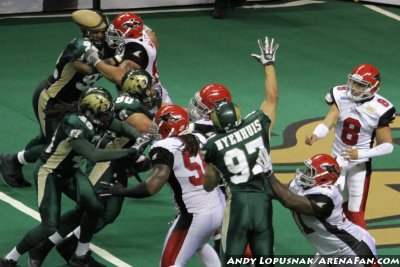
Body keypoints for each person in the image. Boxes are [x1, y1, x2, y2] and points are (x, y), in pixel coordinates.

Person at [0, 87, 151, 267]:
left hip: (71, 172)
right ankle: (10, 258)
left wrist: (139, 136)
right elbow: (93, 155)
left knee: (95, 207)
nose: (107, 117)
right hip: (50, 173)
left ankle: (80, 256)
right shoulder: (74, 123)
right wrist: (129, 151)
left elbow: (119, 125)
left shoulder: (94, 115)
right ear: (90, 112)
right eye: (103, 114)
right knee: (49, 225)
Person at [99, 105, 224, 267]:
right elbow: (180, 160)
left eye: (158, 124)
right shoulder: (200, 138)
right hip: (217, 207)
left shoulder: (164, 147)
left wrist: (120, 191)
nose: (155, 128)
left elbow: (151, 187)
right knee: (198, 244)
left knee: (170, 263)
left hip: (194, 216)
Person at [0, 9, 112, 187]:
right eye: (95, 32)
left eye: (102, 31)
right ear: (86, 32)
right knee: (55, 144)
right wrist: (117, 59)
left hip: (72, 101)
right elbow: (90, 69)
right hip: (51, 99)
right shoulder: (80, 45)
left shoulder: (105, 46)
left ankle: (17, 160)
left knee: (47, 138)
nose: (100, 35)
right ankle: (11, 160)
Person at [202, 36, 279, 266]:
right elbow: (272, 98)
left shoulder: (213, 144)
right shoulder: (257, 123)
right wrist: (268, 65)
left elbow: (208, 184)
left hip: (237, 204)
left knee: (231, 260)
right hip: (264, 201)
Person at [305, 64, 396, 229]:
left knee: (355, 211)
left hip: (358, 165)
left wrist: (360, 154)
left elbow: (388, 146)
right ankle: (333, 250)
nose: (354, 87)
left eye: (360, 84)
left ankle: (366, 253)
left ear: (373, 87)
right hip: (335, 162)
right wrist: (317, 134)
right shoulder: (340, 95)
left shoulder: (380, 108)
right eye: (353, 82)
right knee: (332, 207)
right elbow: (330, 119)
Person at [256, 150, 380, 267]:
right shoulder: (300, 185)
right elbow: (278, 192)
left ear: (323, 177)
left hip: (353, 250)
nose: (305, 173)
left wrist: (270, 175)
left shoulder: (328, 196)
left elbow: (289, 201)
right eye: (307, 169)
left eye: (311, 171)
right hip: (327, 252)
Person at [83, 12, 173, 104]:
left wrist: (96, 61)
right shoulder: (142, 34)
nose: (112, 35)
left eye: (117, 33)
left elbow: (119, 77)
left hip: (149, 103)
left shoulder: (136, 47)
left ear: (129, 33)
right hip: (150, 94)